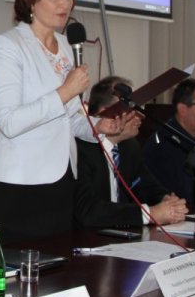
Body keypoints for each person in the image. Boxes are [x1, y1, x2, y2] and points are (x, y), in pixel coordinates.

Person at [0, 0, 130, 243]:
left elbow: (69, 118)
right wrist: (65, 91)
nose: (65, 3)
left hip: (62, 182)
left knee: (59, 264)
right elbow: (9, 122)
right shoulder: (7, 46)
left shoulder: (66, 46)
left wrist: (99, 126)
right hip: (21, 185)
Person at [75, 77, 188, 228]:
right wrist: (150, 214)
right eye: (131, 109)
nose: (141, 116)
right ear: (105, 114)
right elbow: (89, 211)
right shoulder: (80, 150)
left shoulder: (129, 147)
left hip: (122, 235)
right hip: (84, 236)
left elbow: (147, 187)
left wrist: (168, 201)